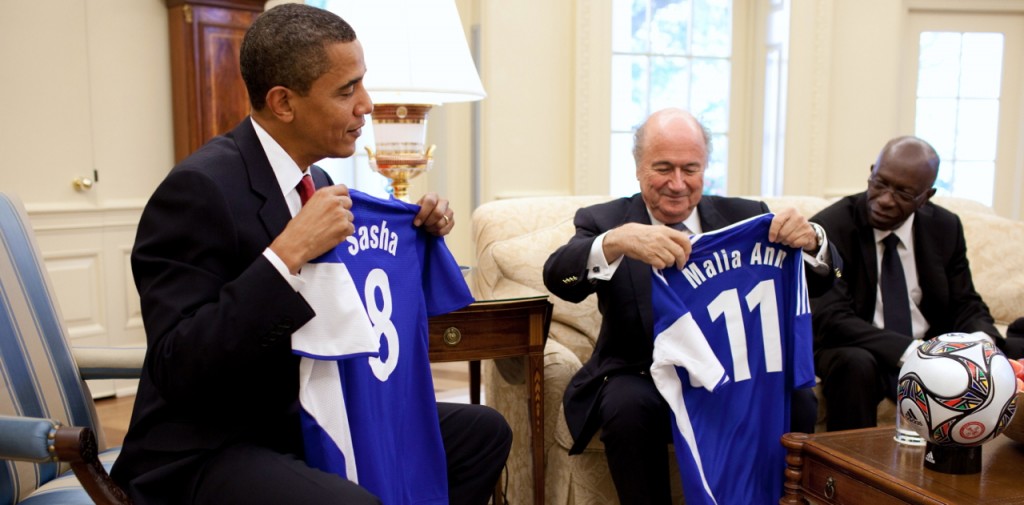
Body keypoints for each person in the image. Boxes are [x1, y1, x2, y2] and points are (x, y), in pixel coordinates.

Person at [109, 4, 510, 505]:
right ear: (283, 102)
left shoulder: (317, 182)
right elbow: (178, 365)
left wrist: (421, 229)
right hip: (212, 445)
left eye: (362, 83)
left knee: (481, 433)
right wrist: (283, 257)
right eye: (347, 90)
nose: (367, 104)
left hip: (311, 410)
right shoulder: (198, 189)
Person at [542, 107, 837, 504]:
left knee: (798, 397)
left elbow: (821, 280)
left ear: (705, 168)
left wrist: (814, 239)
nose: (677, 184)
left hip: (736, 371)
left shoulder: (748, 216)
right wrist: (616, 242)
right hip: (640, 370)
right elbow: (559, 279)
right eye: (663, 168)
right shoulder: (606, 220)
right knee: (625, 407)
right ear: (638, 167)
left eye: (690, 169)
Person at [810, 135, 1018, 432]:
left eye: (903, 193)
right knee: (854, 364)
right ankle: (847, 470)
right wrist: (914, 352)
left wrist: (983, 344)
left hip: (929, 350)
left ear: (926, 196)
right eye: (879, 183)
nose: (884, 199)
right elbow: (831, 319)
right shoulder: (833, 226)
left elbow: (965, 302)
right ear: (871, 171)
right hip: (856, 346)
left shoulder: (945, 228)